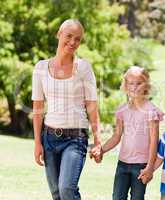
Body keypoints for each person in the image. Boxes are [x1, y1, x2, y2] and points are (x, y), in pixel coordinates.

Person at [32, 19, 102, 200]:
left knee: (66, 190)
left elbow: (92, 106)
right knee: (56, 194)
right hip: (48, 138)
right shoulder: (40, 68)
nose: (72, 42)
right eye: (69, 36)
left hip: (75, 138)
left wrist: (98, 140)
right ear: (59, 34)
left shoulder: (84, 68)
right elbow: (38, 109)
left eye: (77, 39)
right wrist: (37, 142)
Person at [98, 66, 164, 200]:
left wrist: (150, 167)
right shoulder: (122, 110)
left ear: (146, 86)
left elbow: (153, 142)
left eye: (139, 83)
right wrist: (101, 150)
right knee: (117, 197)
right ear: (125, 86)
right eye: (131, 83)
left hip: (141, 166)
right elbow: (116, 136)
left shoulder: (151, 111)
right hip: (122, 164)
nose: (134, 87)